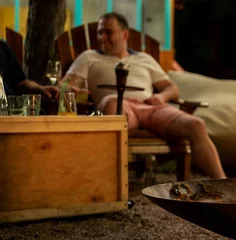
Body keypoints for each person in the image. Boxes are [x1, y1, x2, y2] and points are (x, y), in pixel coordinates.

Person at [64, 12, 226, 179]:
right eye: (99, 32)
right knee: (111, 103)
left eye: (108, 32)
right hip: (119, 106)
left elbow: (171, 87)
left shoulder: (144, 58)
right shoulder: (89, 57)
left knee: (196, 124)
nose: (102, 37)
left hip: (151, 107)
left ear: (125, 34)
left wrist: (161, 97)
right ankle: (110, 183)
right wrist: (71, 90)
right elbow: (66, 85)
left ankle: (224, 183)